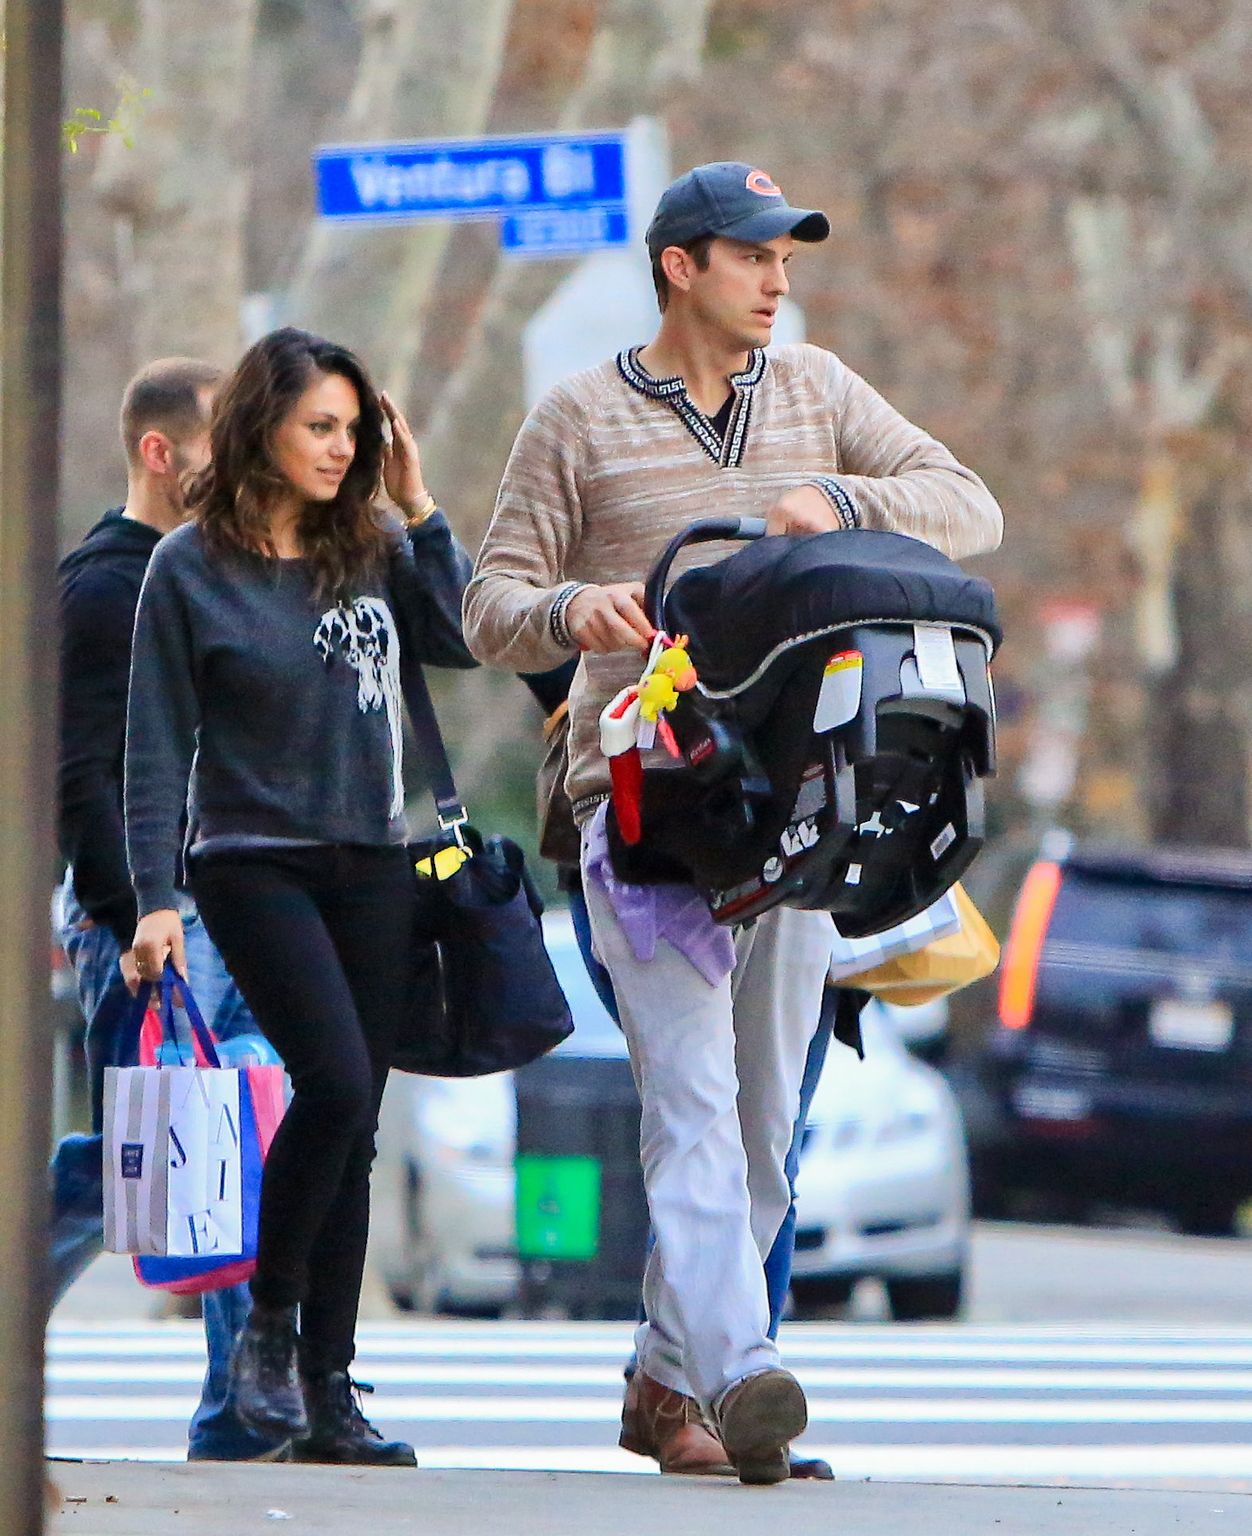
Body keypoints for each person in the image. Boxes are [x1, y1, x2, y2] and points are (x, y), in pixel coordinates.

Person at [464, 161, 1003, 1484]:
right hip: (639, 806)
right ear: (680, 266)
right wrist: (569, 610)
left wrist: (849, 504)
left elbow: (972, 508)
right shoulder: (577, 417)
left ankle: (668, 1379)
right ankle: (743, 1368)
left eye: (788, 261)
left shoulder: (819, 392)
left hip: (802, 811)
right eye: (755, 256)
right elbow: (487, 602)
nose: (777, 281)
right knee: (692, 1099)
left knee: (768, 1119)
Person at [125, 327, 476, 1467]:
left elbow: (457, 640)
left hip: (373, 859)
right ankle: (267, 1331)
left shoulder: (368, 541)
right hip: (250, 860)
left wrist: (421, 509)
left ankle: (329, 1394)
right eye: (321, 427)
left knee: (357, 1128)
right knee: (327, 1081)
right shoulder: (188, 567)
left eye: (355, 430)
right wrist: (154, 896)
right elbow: (151, 746)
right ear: (262, 427)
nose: (342, 448)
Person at [51, 356, 282, 1463]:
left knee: (211, 1140)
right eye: (218, 441)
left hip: (219, 909)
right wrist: (136, 912)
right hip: (144, 926)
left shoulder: (208, 572)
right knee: (163, 1156)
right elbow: (80, 775)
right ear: (159, 453)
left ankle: (247, 1407)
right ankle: (244, 1410)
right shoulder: (109, 586)